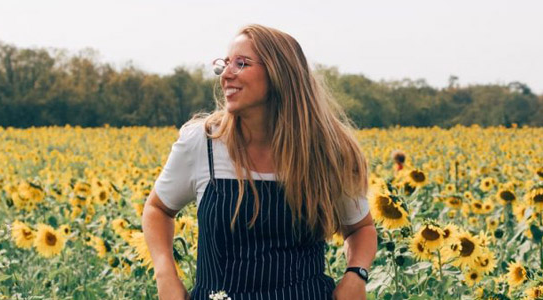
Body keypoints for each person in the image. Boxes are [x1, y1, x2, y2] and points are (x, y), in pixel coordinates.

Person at [141, 24, 377, 300]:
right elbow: (157, 208)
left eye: (241, 64)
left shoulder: (326, 150)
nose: (226, 75)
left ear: (280, 73)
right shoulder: (203, 142)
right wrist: (165, 275)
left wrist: (355, 275)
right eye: (225, 64)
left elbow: (361, 228)